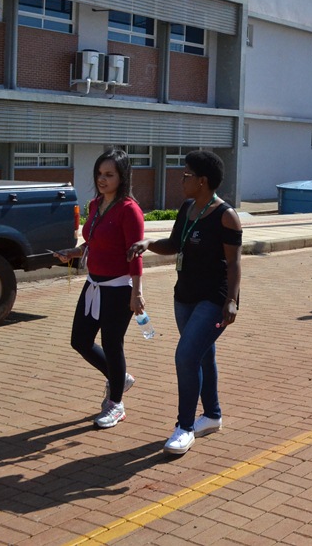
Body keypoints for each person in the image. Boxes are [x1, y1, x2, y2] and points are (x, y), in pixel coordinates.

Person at [127, 150, 242, 455]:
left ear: (202, 181)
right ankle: (212, 416)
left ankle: (185, 427)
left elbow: (234, 263)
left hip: (214, 299)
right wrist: (148, 243)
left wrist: (232, 300)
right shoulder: (188, 207)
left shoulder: (226, 216)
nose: (182, 179)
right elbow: (174, 244)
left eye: (186, 174)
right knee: (203, 355)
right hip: (185, 296)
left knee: (186, 356)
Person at [54, 148, 145, 429]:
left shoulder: (129, 210)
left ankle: (116, 404)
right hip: (93, 284)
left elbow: (135, 254)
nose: (102, 179)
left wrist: (137, 293)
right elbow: (93, 241)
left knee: (112, 344)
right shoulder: (96, 205)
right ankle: (119, 378)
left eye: (109, 175)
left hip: (119, 288)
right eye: (99, 174)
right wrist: (74, 252)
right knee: (80, 340)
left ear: (122, 177)